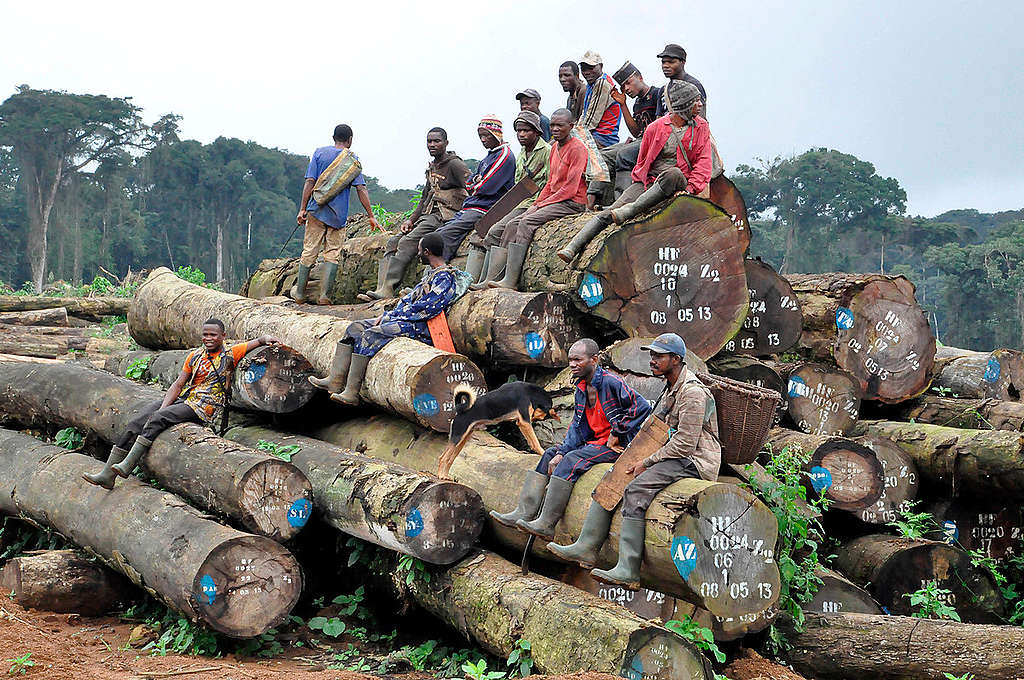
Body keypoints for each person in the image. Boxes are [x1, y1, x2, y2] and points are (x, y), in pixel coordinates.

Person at [548, 333, 720, 590]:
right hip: (673, 453)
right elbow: (653, 425)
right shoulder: (670, 387)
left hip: (695, 460)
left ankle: (629, 568)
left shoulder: (693, 393)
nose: (652, 360)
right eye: (651, 355)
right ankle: (586, 547)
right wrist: (626, 447)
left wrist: (647, 462)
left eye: (658, 356)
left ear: (676, 359)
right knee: (615, 475)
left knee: (637, 487)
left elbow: (685, 444)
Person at [83, 320, 281, 488]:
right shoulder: (195, 355)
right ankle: (107, 474)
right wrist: (164, 408)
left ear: (223, 336)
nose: (209, 338)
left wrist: (266, 339)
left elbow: (257, 341)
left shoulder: (231, 352)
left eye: (213, 335)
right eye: (205, 335)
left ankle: (127, 465)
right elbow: (178, 384)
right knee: (136, 422)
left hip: (206, 406)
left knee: (158, 419)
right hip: (187, 398)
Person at [491, 338, 651, 540]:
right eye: (570, 360)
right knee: (550, 453)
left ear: (594, 360)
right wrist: (560, 452)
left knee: (571, 460)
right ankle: (524, 512)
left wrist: (617, 432)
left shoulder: (611, 383)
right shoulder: (582, 388)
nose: (572, 365)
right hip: (593, 442)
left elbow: (642, 407)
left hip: (617, 447)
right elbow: (576, 426)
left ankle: (547, 523)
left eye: (577, 360)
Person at [557, 80, 711, 262]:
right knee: (610, 212)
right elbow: (643, 161)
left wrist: (690, 189)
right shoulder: (656, 128)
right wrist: (640, 185)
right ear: (684, 104)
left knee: (674, 173)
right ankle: (573, 246)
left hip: (679, 183)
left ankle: (631, 210)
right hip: (650, 183)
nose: (700, 105)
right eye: (696, 101)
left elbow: (703, 163)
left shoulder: (701, 127)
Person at [310, 233, 470, 404]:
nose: (417, 254)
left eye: (419, 250)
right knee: (354, 328)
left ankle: (352, 392)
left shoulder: (445, 277)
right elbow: (407, 301)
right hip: (406, 319)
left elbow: (427, 308)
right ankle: (334, 381)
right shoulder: (431, 274)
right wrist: (387, 315)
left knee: (370, 335)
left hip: (421, 326)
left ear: (427, 252)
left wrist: (391, 317)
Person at [480, 109, 587, 290]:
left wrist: (540, 205)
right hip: (555, 199)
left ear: (571, 126)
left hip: (572, 202)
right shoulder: (554, 148)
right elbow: (550, 183)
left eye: (560, 125)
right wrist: (538, 203)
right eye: (552, 125)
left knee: (526, 222)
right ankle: (494, 277)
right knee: (512, 224)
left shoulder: (577, 148)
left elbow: (570, 189)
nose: (555, 129)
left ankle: (511, 280)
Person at [361, 128, 469, 301]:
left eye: (437, 141)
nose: (432, 145)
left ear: (446, 143)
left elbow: (471, 186)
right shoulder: (433, 166)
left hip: (443, 215)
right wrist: (411, 220)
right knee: (393, 241)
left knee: (407, 242)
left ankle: (388, 289)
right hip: (429, 214)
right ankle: (381, 288)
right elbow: (425, 197)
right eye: (429, 141)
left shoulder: (454, 165)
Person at [293, 124, 380, 305]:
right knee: (332, 254)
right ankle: (324, 295)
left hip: (316, 211)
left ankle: (300, 294)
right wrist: (371, 215)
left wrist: (302, 209)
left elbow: (310, 182)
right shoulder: (351, 159)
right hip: (338, 217)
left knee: (310, 250)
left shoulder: (319, 153)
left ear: (333, 137)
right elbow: (361, 189)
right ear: (350, 140)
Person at [468, 110, 551, 288]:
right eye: (519, 131)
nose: (521, 134)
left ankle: (501, 279)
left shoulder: (546, 152)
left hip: (536, 202)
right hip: (521, 201)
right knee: (489, 230)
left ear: (536, 131)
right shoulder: (522, 153)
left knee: (507, 228)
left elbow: (551, 183)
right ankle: (484, 280)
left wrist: (538, 205)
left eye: (526, 130)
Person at [434, 116, 515, 262]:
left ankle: (441, 270)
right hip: (470, 207)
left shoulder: (504, 156)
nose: (483, 139)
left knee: (445, 234)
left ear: (496, 134)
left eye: (486, 135)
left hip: (485, 209)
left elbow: (485, 188)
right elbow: (470, 183)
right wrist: (476, 182)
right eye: (480, 136)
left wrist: (477, 183)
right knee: (437, 233)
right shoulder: (489, 157)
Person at [587, 61, 663, 204]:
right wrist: (623, 104)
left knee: (625, 153)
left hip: (654, 142)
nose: (626, 88)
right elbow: (636, 132)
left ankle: (621, 201)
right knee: (603, 155)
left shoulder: (656, 94)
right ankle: (592, 199)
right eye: (623, 86)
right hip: (640, 140)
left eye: (629, 83)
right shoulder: (637, 103)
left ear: (640, 78)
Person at [577, 51, 621, 150]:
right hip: (595, 135)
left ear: (600, 66)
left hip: (602, 138)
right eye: (583, 69)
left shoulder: (602, 83)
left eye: (591, 67)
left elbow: (591, 122)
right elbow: (585, 114)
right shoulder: (591, 84)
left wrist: (574, 136)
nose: (586, 72)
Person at [655, 44, 706, 119]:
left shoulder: (694, 86)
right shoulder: (663, 90)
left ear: (683, 62)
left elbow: (700, 119)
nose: (665, 65)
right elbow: (659, 120)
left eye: (671, 62)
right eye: (663, 62)